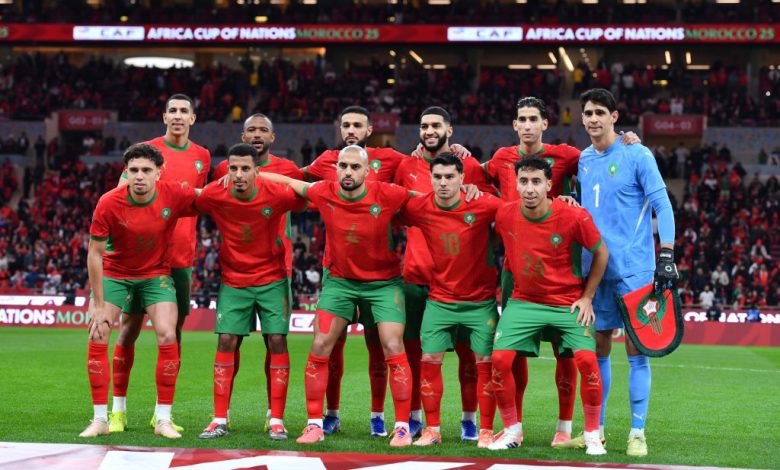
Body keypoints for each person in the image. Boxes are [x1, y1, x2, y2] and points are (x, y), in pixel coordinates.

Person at [258, 145, 414, 447]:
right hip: (340, 283)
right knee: (320, 344)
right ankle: (314, 424)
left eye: (355, 167)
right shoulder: (324, 191)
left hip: (383, 284)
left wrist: (463, 191)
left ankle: (402, 427)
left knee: (393, 346)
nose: (348, 172)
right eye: (343, 166)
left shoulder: (387, 193)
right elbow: (290, 182)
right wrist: (254, 174)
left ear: (367, 171)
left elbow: (423, 199)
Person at [572, 88, 677, 457]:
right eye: (588, 113)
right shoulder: (583, 159)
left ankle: (637, 432)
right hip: (595, 270)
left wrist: (667, 253)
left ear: (614, 117)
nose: (593, 119)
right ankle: (596, 430)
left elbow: (663, 205)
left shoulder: (637, 153)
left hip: (635, 269)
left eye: (600, 112)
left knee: (637, 349)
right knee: (599, 347)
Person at [489, 157, 608, 456]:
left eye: (536, 182)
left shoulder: (573, 216)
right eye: (524, 181)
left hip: (567, 302)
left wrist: (587, 297)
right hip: (524, 301)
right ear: (516, 185)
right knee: (500, 360)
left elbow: (601, 253)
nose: (530, 189)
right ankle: (512, 431)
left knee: (587, 361)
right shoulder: (504, 214)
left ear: (549, 185)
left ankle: (592, 435)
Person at [303, 106, 408, 437]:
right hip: (338, 273)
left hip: (381, 275)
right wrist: (254, 171)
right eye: (345, 124)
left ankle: (384, 418)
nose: (350, 129)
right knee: (329, 346)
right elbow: (295, 178)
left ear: (369, 129)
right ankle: (325, 417)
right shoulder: (325, 162)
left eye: (357, 125)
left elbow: (422, 175)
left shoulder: (390, 160)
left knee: (383, 346)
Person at [79, 143, 197, 439]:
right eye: (134, 170)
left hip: (156, 275)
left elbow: (212, 198)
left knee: (168, 334)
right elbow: (95, 254)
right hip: (116, 274)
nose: (140, 176)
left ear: (159, 172)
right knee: (98, 332)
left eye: (146, 170)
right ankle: (100, 419)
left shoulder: (174, 193)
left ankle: (163, 419)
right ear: (126, 172)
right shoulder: (108, 202)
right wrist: (98, 304)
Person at [109, 94, 211, 434]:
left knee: (172, 334)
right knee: (129, 329)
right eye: (173, 111)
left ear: (193, 118)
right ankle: (118, 410)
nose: (178, 116)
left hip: (180, 258)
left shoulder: (202, 156)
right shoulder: (147, 152)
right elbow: (119, 197)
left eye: (184, 111)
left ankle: (161, 413)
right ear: (164, 116)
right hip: (141, 259)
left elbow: (198, 200)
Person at [394, 106, 496, 442]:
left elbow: (493, 210)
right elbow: (394, 208)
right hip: (415, 276)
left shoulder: (469, 166)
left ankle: (470, 420)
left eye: (436, 125)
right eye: (424, 125)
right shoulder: (405, 166)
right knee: (416, 354)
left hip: (462, 283)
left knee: (470, 356)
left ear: (449, 129)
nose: (429, 131)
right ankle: (415, 418)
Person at [195, 143, 307, 441]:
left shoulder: (276, 194)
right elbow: (189, 201)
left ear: (257, 170)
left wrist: (276, 178)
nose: (239, 174)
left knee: (277, 340)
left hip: (272, 279)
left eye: (246, 168)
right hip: (234, 280)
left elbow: (308, 196)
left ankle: (277, 419)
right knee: (226, 340)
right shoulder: (215, 193)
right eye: (233, 168)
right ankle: (219, 419)